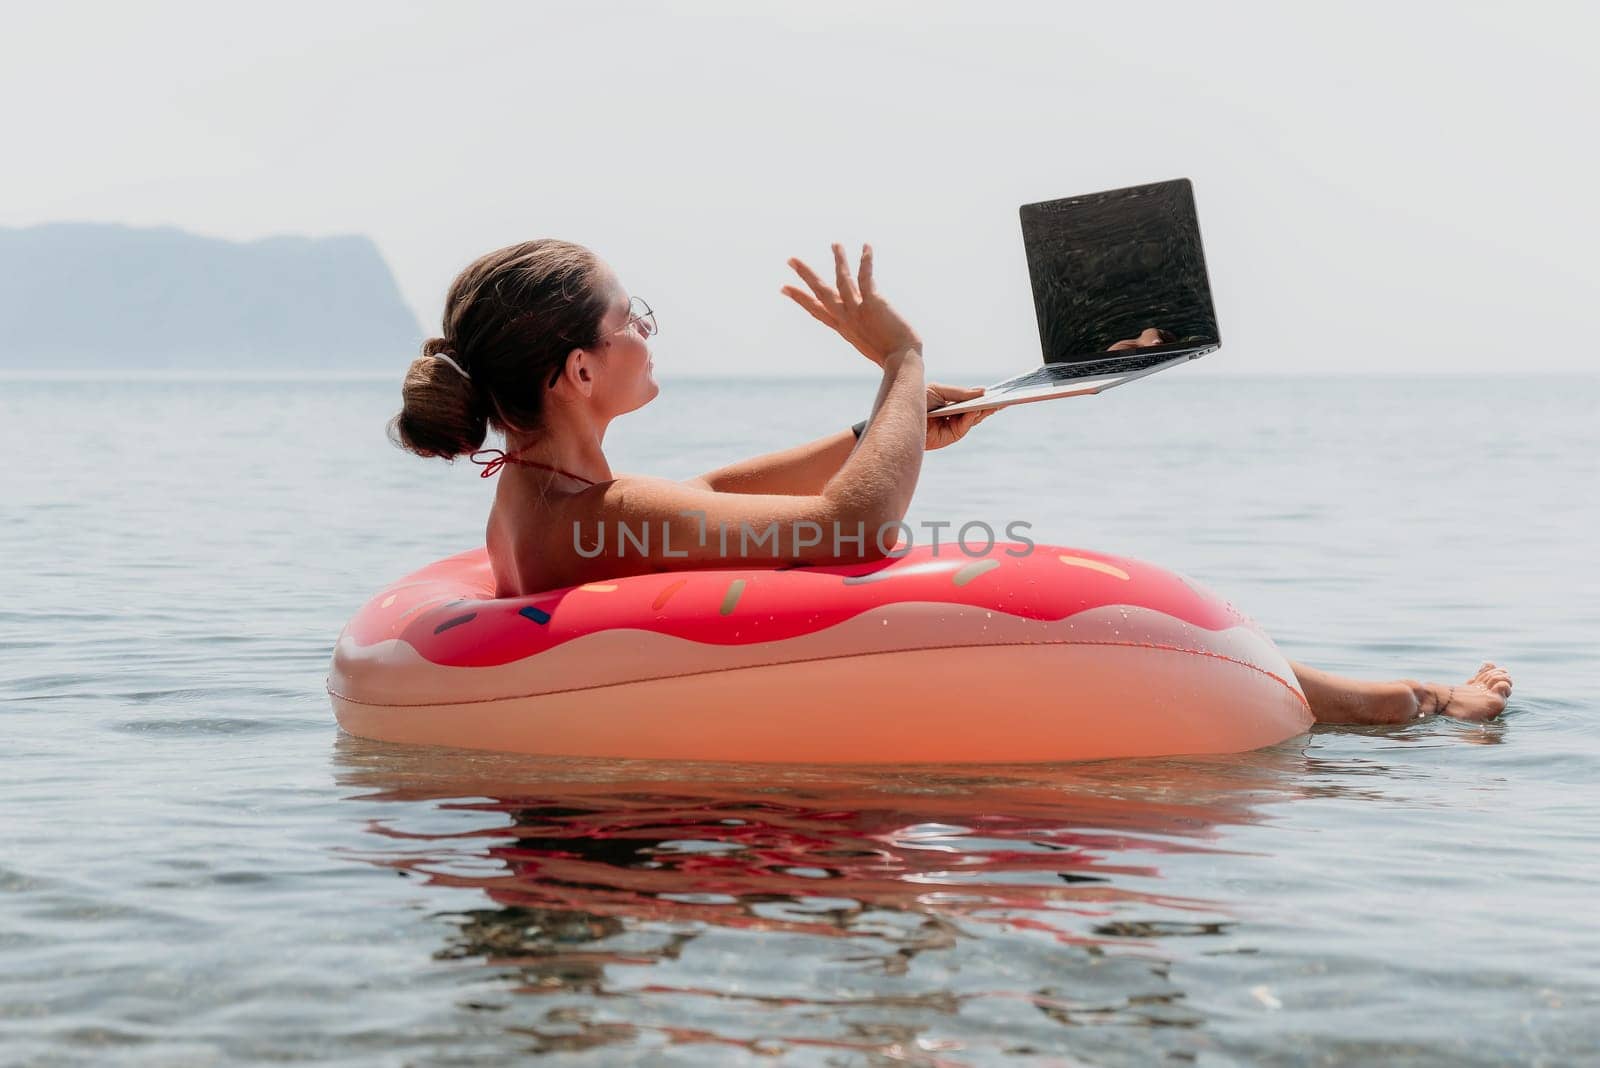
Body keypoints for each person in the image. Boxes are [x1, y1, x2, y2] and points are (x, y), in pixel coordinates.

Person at [390, 239, 1512, 726]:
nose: (649, 327)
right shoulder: (583, 516)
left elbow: (715, 491)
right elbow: (850, 529)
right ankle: (1398, 705)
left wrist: (889, 425)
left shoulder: (549, 498)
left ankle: (1385, 699)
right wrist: (899, 360)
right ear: (582, 370)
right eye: (631, 315)